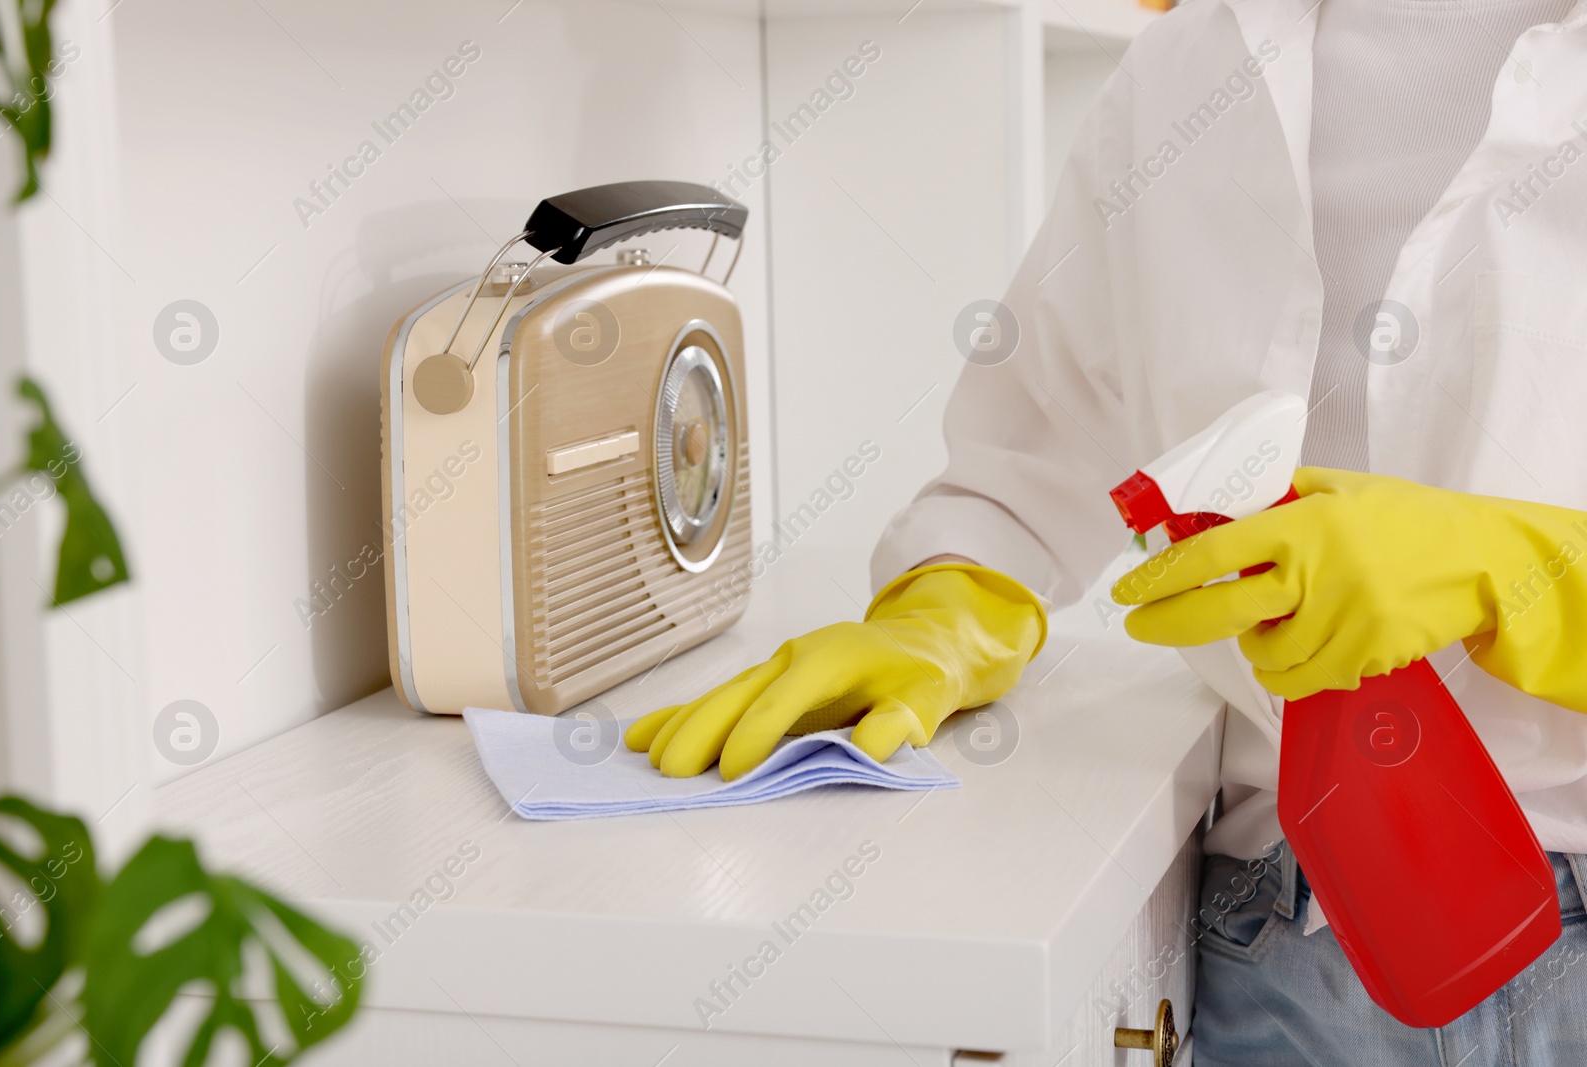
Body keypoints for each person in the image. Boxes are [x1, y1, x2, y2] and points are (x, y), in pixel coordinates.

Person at [628, 0, 1587, 1060]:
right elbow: (1039, 439)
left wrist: (1524, 574)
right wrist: (948, 609)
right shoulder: (1190, 65)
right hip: (1292, 941)